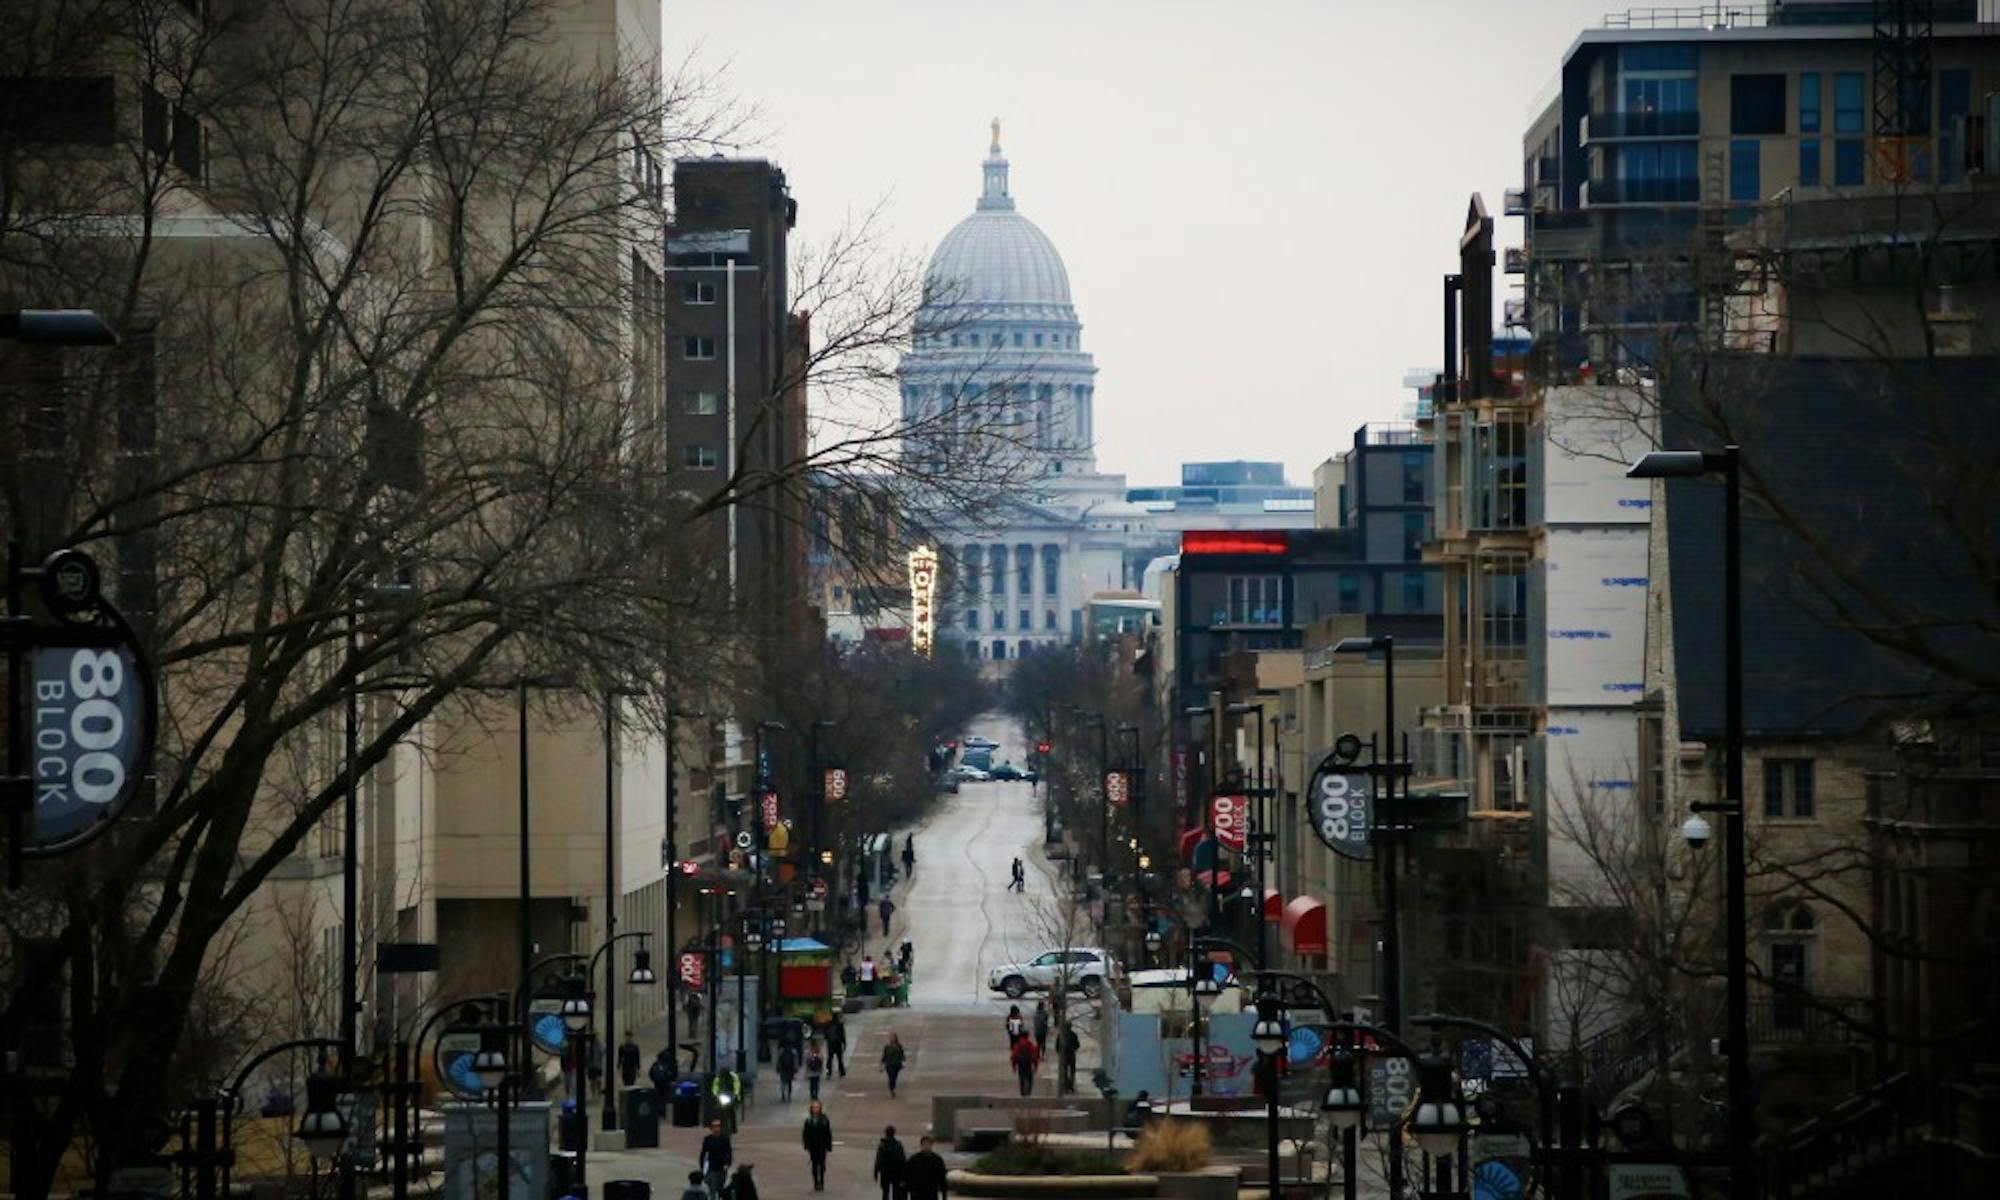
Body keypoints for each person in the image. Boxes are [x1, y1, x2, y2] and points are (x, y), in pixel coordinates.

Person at [802, 1101, 834, 1191]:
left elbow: (828, 1133)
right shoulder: (809, 1120)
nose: (816, 1109)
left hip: (822, 1146)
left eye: (817, 1107)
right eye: (814, 1107)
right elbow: (805, 1134)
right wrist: (807, 1145)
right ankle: (816, 1182)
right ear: (811, 1109)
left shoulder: (824, 1120)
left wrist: (829, 1146)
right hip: (813, 1146)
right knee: (815, 1164)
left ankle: (822, 1181)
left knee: (822, 1163)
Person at [905, 1134, 949, 1200]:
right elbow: (907, 1175)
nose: (926, 1146)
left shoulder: (937, 1160)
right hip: (917, 1193)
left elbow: (942, 1178)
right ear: (921, 1145)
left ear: (932, 1145)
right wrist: (910, 1189)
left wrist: (944, 1195)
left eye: (928, 1144)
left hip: (931, 1193)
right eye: (924, 1144)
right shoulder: (914, 1159)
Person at [698, 1117, 733, 1199]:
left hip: (722, 1168)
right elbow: (703, 1154)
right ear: (711, 1128)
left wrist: (728, 1164)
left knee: (720, 1188)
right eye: (714, 1126)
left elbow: (729, 1153)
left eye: (718, 1126)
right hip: (712, 1167)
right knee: (712, 1189)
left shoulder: (725, 1139)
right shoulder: (707, 1139)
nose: (716, 1128)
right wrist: (702, 1167)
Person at [873, 1125, 908, 1200]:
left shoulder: (882, 1145)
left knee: (885, 1191)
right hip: (896, 1172)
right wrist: (904, 1173)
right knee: (896, 1191)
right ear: (894, 1133)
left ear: (885, 1133)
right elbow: (903, 1159)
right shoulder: (898, 1145)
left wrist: (876, 1171)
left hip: (885, 1172)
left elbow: (879, 1159)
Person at [710, 1067, 743, 1134]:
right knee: (719, 1111)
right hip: (722, 1094)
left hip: (731, 1095)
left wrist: (736, 1095)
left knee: (731, 1112)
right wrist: (715, 1094)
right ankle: (720, 1127)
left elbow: (737, 1086)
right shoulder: (718, 1078)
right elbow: (715, 1087)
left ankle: (733, 1128)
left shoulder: (734, 1077)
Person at [1010, 1031, 1041, 1097]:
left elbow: (1014, 1056)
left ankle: (1022, 1092)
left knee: (1021, 1078)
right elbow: (1034, 1055)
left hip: (1020, 1064)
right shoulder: (1029, 1044)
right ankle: (1029, 1092)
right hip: (1028, 1064)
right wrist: (1035, 1066)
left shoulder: (1017, 1044)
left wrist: (1014, 1066)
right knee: (1030, 1078)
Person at [881, 1030, 908, 1097]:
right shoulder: (887, 1047)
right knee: (891, 1077)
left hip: (897, 1064)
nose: (892, 1038)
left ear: (896, 1038)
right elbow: (884, 1056)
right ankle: (891, 1090)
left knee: (894, 1077)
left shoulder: (899, 1046)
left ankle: (892, 1088)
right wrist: (881, 1066)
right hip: (889, 1065)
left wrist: (904, 1062)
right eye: (890, 1037)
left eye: (893, 1037)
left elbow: (902, 1054)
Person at [1057, 1022, 1080, 1096]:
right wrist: (1073, 1048)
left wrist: (1060, 1052)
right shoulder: (1073, 1035)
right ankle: (1071, 1085)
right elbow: (1077, 1045)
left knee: (1065, 1072)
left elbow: (1057, 1047)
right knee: (1072, 1071)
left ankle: (1066, 1086)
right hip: (1071, 1055)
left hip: (1063, 1056)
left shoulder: (1060, 1035)